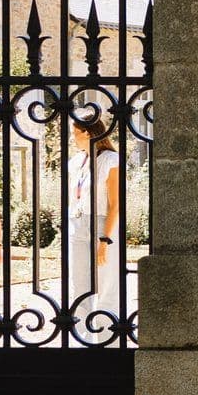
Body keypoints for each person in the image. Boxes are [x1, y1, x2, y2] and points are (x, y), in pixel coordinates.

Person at [65, 112, 123, 333]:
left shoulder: (110, 160)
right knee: (79, 287)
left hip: (101, 225)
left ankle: (109, 342)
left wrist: (105, 239)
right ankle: (82, 344)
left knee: (107, 286)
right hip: (77, 224)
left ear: (87, 133)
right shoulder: (77, 161)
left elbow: (115, 204)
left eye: (74, 133)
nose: (72, 137)